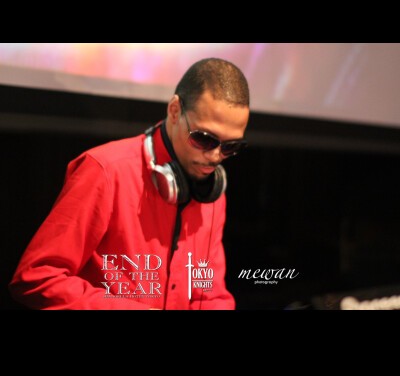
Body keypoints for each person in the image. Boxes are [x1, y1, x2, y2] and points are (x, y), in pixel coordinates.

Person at [9, 58, 250, 310]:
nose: (215, 157)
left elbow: (209, 294)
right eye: (204, 139)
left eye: (231, 146)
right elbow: (37, 278)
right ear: (174, 111)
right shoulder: (105, 171)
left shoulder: (211, 192)